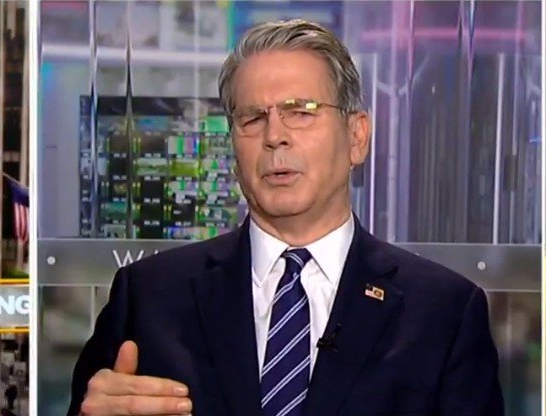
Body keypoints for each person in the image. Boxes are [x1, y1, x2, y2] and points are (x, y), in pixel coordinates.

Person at [70, 20, 503, 416]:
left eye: (301, 110)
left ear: (357, 137)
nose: (275, 135)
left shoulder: (444, 313)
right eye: (253, 118)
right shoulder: (149, 298)